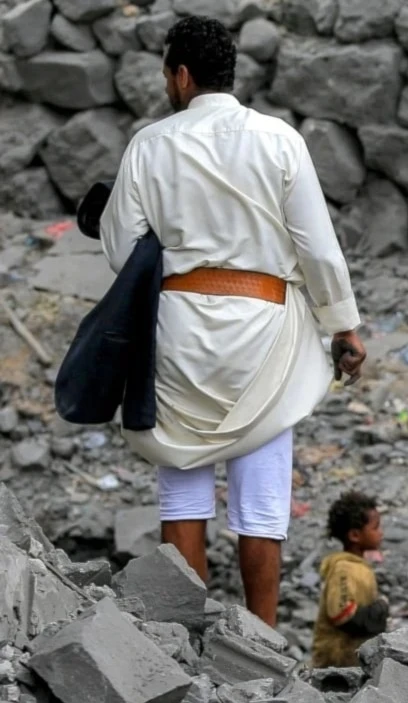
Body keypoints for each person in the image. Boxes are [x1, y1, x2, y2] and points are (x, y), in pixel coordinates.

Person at [97, 16, 365, 626]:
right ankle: (261, 644)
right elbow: (318, 247)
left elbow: (119, 248)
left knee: (183, 494)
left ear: (182, 76)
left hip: (180, 333)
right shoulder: (280, 140)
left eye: (168, 74)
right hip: (266, 334)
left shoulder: (149, 144)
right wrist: (342, 327)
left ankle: (182, 638)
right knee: (262, 503)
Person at [311, 490, 389, 667]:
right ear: (355, 535)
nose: (381, 533)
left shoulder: (359, 567)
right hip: (335, 659)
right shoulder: (343, 569)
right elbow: (340, 613)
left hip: (351, 656)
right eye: (375, 527)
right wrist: (375, 613)